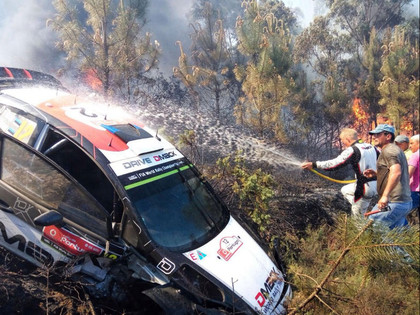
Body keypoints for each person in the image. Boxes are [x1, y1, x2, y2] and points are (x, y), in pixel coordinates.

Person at [301, 128, 378, 217]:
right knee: (345, 190)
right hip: (376, 185)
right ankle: (359, 207)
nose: (343, 143)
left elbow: (334, 164)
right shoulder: (371, 146)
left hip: (363, 188)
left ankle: (362, 217)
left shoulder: (353, 150)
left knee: (357, 221)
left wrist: (314, 165)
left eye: (343, 140)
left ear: (348, 139)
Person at [363, 124, 412, 229]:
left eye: (378, 134)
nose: (374, 137)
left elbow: (396, 172)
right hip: (402, 202)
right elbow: (396, 172)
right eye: (374, 135)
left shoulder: (389, 151)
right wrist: (378, 174)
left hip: (394, 201)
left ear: (388, 136)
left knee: (374, 226)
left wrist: (385, 196)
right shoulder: (394, 149)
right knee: (396, 237)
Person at [408, 135, 419, 211]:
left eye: (412, 143)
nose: (410, 146)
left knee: (402, 212)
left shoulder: (415, 156)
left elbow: (408, 174)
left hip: (416, 191)